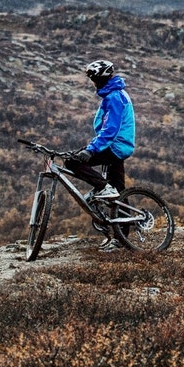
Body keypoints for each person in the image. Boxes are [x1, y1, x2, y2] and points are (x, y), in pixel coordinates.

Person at [66, 59, 135, 250]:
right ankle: (122, 239)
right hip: (117, 146)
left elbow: (110, 130)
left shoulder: (114, 97)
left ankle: (103, 188)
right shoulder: (114, 94)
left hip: (115, 146)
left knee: (72, 162)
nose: (92, 82)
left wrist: (91, 150)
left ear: (100, 79)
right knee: (119, 191)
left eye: (93, 79)